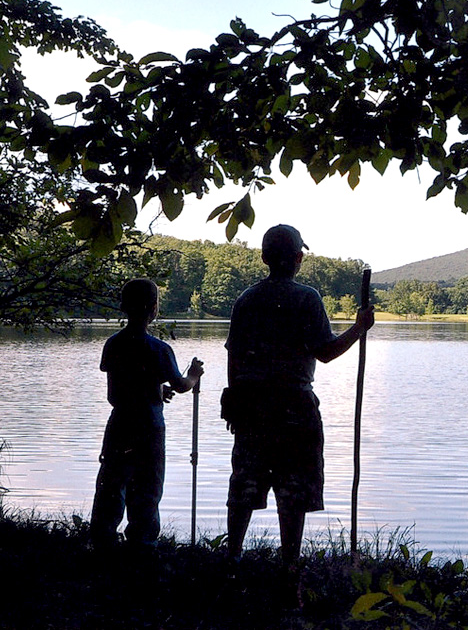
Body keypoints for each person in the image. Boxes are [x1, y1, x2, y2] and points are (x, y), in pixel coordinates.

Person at [223, 224, 374, 564]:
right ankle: (289, 571)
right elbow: (326, 351)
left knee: (245, 489)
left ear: (264, 257)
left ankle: (230, 563)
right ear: (297, 258)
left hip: (252, 407)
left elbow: (234, 355)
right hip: (295, 408)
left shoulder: (247, 299)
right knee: (292, 495)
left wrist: (234, 400)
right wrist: (359, 328)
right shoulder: (306, 298)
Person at [91, 278, 204, 550]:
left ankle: (102, 540)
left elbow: (116, 393)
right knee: (148, 487)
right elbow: (181, 385)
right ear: (154, 309)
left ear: (124, 308)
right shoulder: (159, 349)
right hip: (149, 428)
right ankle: (142, 545)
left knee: (111, 483)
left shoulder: (113, 344)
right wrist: (193, 375)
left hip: (119, 424)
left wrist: (155, 389)